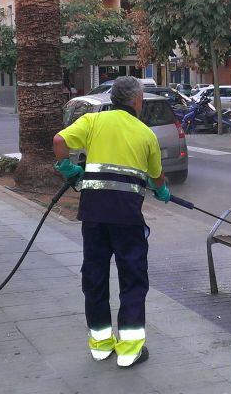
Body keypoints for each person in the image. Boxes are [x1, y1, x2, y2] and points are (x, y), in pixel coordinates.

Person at [52, 76, 168, 368]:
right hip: (127, 218)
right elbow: (157, 177)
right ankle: (129, 351)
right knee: (132, 279)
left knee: (94, 276)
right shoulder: (145, 134)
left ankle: (101, 344)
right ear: (137, 100)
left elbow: (59, 140)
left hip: (93, 215)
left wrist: (68, 168)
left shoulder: (93, 123)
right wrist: (162, 190)